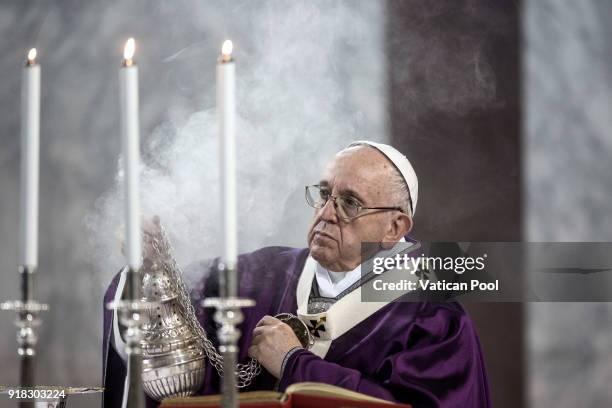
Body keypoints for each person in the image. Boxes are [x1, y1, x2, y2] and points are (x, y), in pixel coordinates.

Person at [102, 141, 490, 407]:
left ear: (395, 228)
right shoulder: (263, 274)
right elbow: (163, 304)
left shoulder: (432, 319)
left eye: (350, 203)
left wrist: (293, 362)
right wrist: (150, 264)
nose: (326, 212)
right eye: (324, 194)